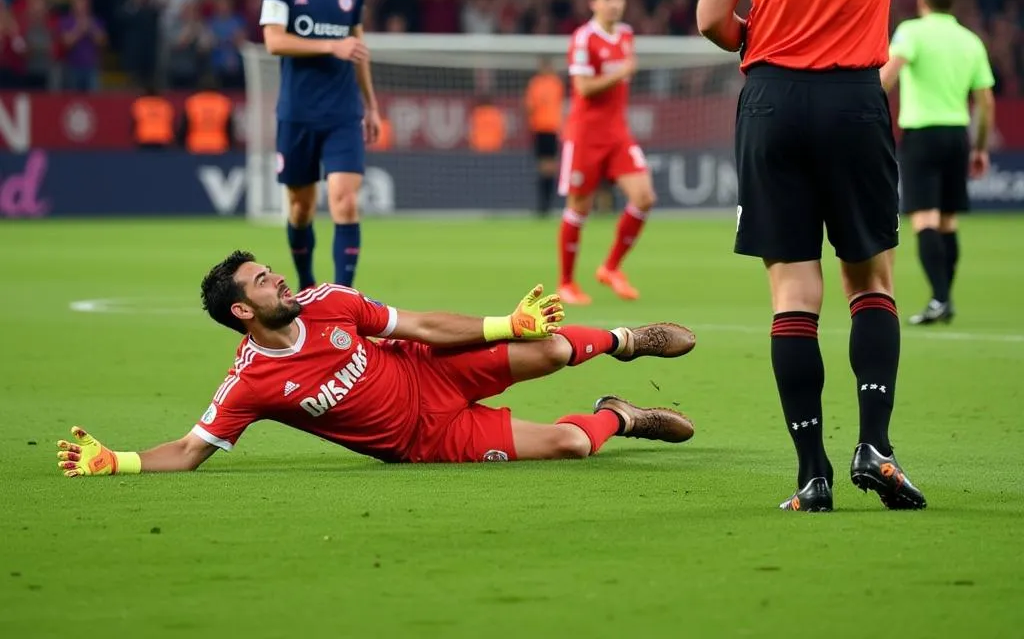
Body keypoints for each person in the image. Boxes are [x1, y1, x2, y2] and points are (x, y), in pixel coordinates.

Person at [696, 0, 1007, 513]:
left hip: (769, 103)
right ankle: (877, 446)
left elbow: (708, 19)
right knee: (870, 280)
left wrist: (759, 41)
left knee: (792, 293)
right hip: (853, 101)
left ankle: (812, 473)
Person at [56, 250, 697, 475]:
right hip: (425, 439)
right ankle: (622, 417)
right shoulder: (250, 383)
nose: (277, 279)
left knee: (552, 348)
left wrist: (507, 324)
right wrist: (120, 462)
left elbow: (419, 325)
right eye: (260, 282)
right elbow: (189, 451)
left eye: (269, 271)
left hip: (428, 368)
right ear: (242, 313)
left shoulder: (330, 301)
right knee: (569, 446)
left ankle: (625, 340)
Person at [260, 0, 382, 290]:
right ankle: (308, 284)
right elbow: (273, 41)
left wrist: (371, 106)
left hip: (343, 113)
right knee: (301, 208)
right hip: (298, 112)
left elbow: (357, 49)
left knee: (345, 200)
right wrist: (331, 47)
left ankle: (344, 296)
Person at [880, 0, 996, 325]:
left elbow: (890, 72)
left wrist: (866, 104)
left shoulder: (912, 31)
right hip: (957, 135)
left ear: (922, 1)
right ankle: (943, 299)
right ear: (953, 3)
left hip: (922, 134)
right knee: (947, 222)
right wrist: (978, 149)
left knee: (925, 219)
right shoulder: (970, 40)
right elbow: (987, 103)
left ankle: (941, 299)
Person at [558, 0, 656, 306]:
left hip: (617, 134)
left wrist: (621, 70)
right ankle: (566, 283)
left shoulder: (626, 34)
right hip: (585, 135)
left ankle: (611, 267)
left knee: (643, 198)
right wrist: (621, 72)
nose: (615, 3)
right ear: (593, 3)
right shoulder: (583, 38)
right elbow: (583, 88)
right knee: (579, 209)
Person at [525, 57, 565, 216]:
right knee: (547, 167)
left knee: (546, 167)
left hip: (546, 128)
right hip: (546, 128)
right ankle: (546, 204)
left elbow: (529, 107)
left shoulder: (536, 84)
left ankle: (545, 205)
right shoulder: (556, 83)